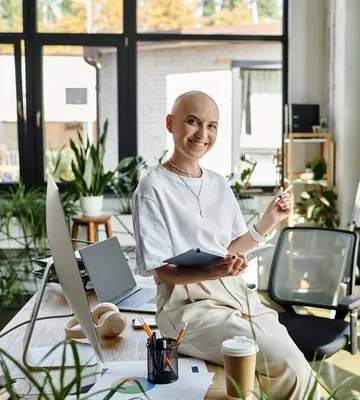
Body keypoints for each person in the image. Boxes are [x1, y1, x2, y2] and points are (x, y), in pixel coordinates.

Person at [132, 91, 317, 399]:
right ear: (170, 123)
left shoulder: (218, 183)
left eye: (212, 125)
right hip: (187, 310)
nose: (203, 134)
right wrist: (213, 271)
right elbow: (164, 272)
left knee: (297, 368)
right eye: (192, 121)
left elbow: (232, 245)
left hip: (238, 298)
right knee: (292, 368)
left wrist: (270, 219)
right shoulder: (152, 189)